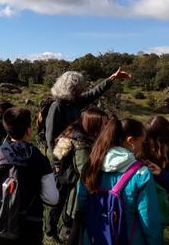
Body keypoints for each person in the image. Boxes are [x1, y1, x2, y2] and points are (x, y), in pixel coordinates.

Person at [45, 67, 131, 240]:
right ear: (72, 88)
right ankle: (50, 230)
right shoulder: (57, 106)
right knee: (60, 195)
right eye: (80, 86)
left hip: (75, 154)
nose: (83, 89)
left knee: (72, 193)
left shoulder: (75, 102)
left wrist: (111, 78)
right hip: (62, 157)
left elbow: (94, 93)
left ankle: (67, 226)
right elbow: (50, 136)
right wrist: (56, 163)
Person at [0, 107, 58, 245]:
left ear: (7, 129)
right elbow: (52, 198)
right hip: (29, 228)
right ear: (29, 130)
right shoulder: (40, 159)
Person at [76, 117, 162, 245]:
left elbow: (81, 203)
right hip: (129, 238)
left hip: (94, 236)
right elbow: (149, 219)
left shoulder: (92, 165)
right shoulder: (141, 174)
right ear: (131, 141)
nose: (143, 146)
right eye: (142, 142)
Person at [53, 108, 108, 243]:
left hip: (73, 189)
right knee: (75, 228)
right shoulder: (82, 145)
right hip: (78, 194)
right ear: (94, 124)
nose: (106, 127)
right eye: (104, 124)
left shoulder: (80, 138)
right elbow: (85, 171)